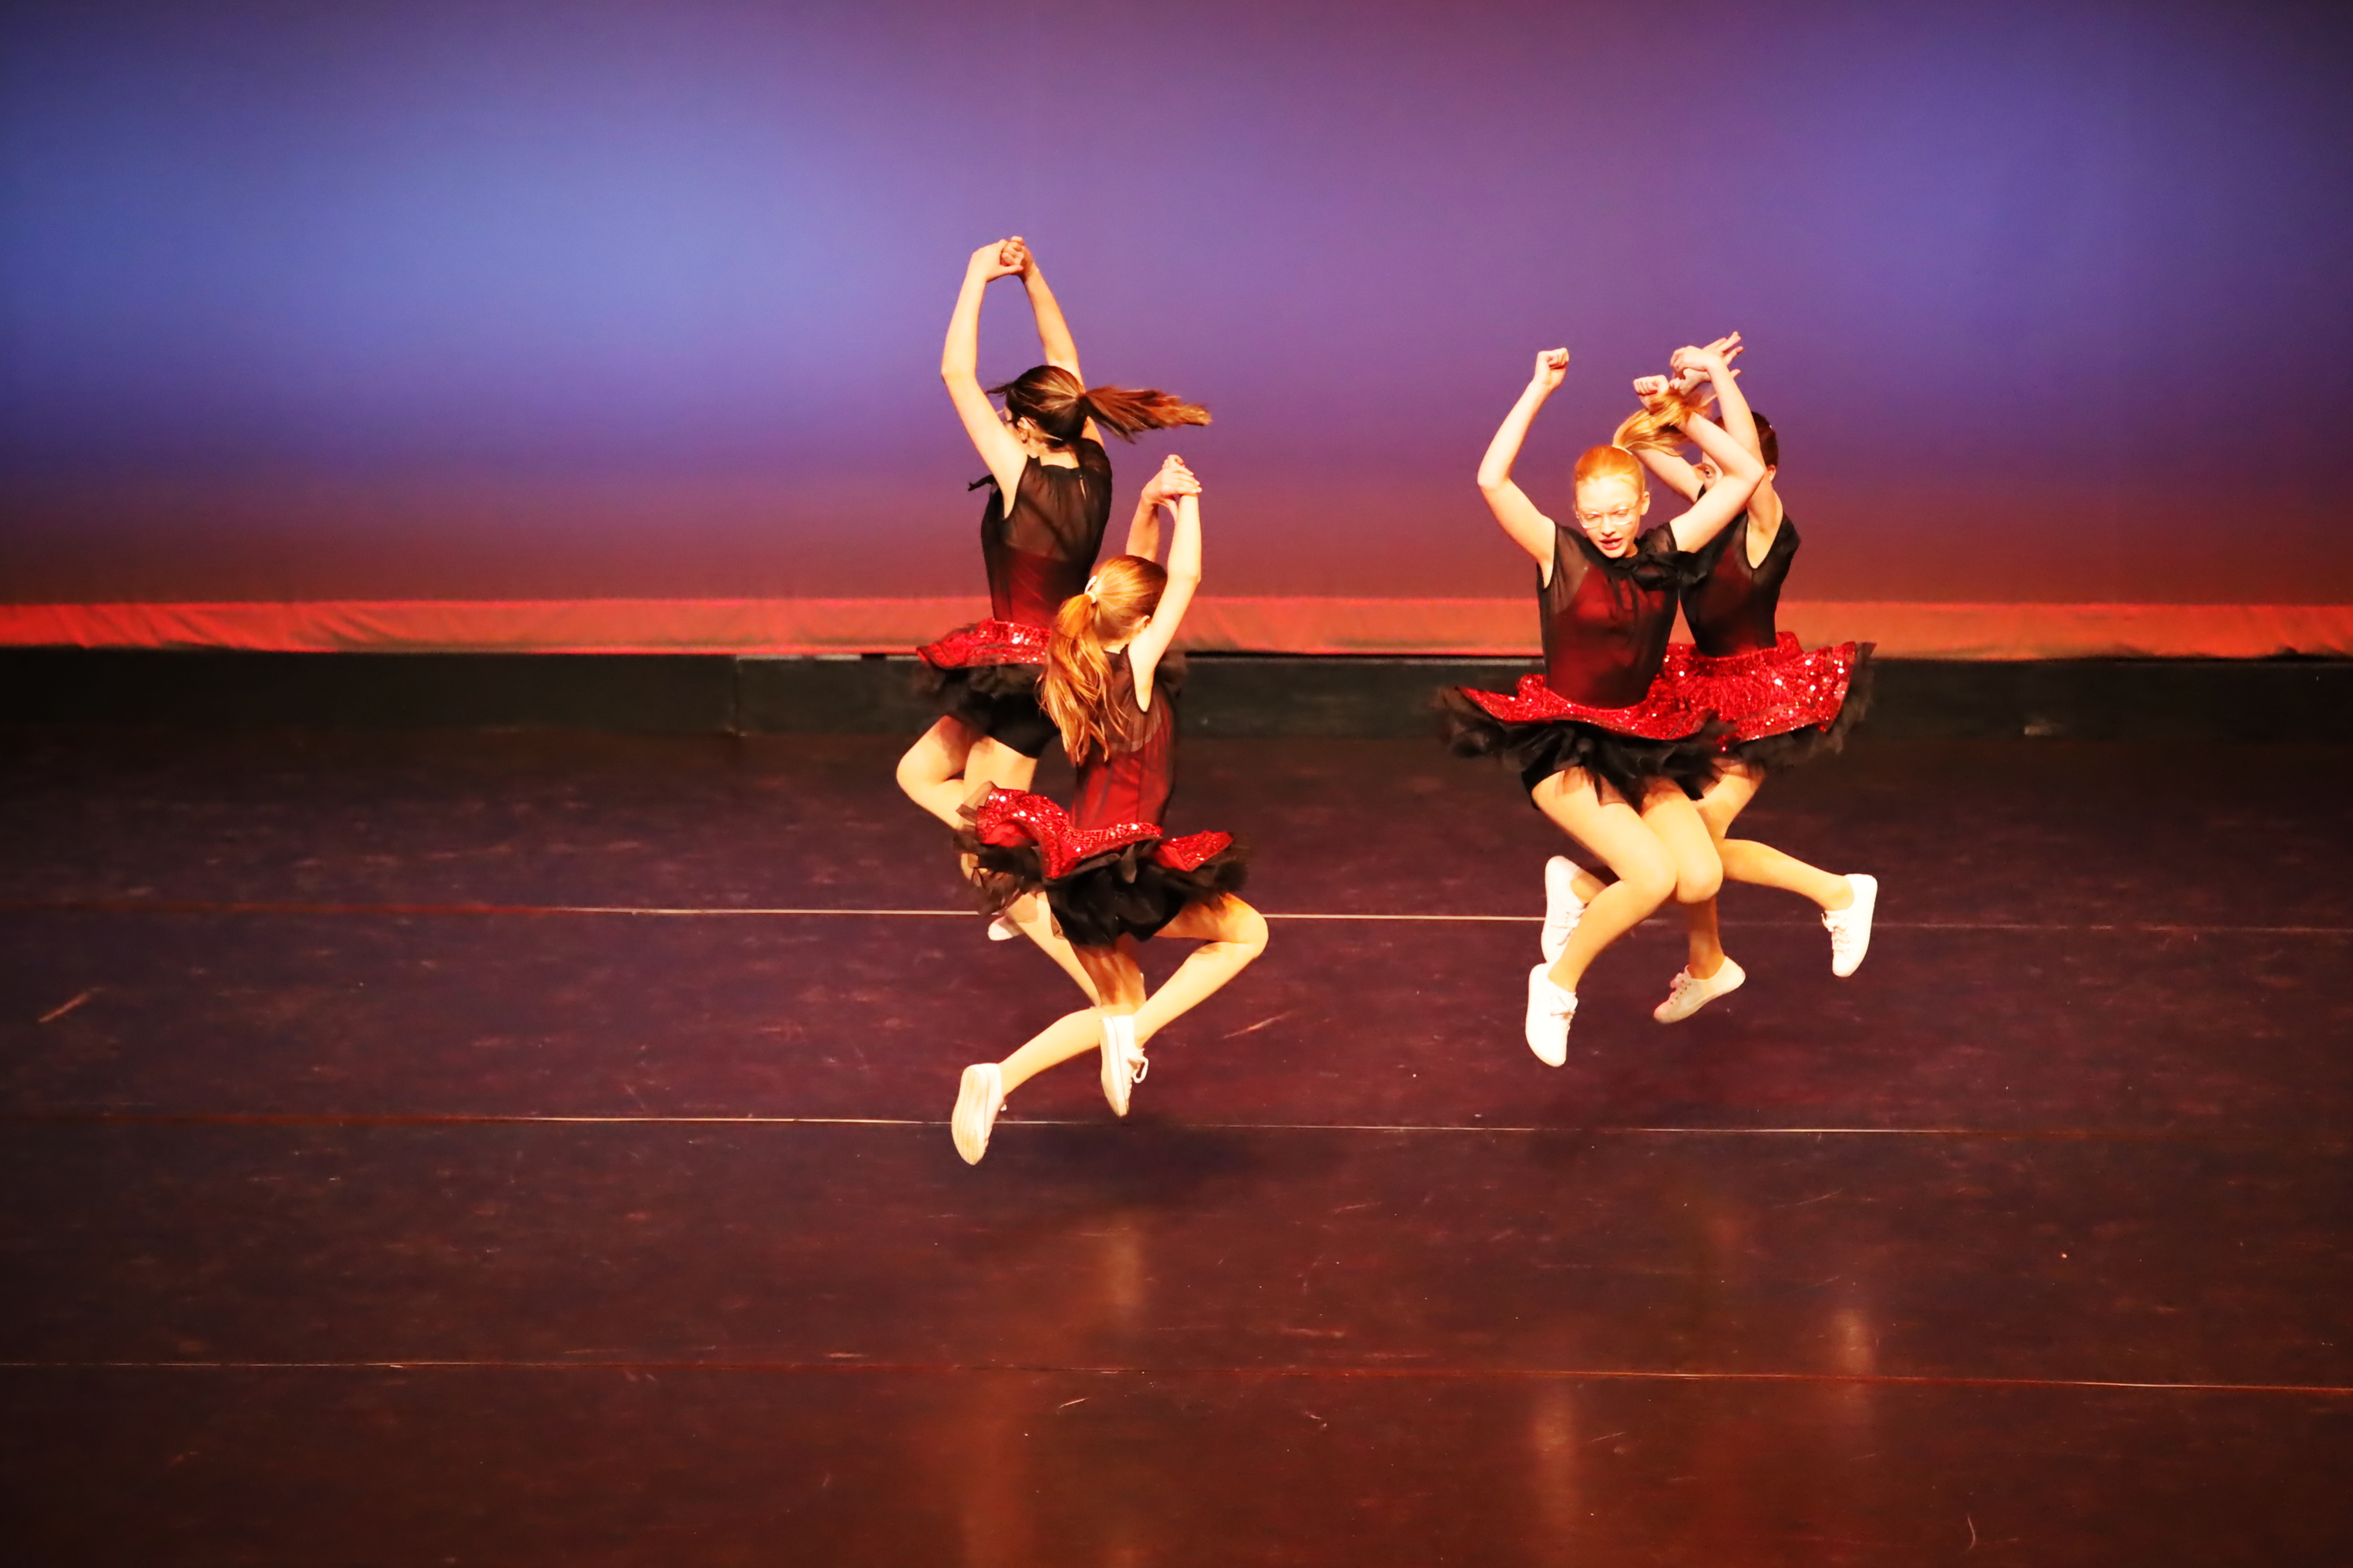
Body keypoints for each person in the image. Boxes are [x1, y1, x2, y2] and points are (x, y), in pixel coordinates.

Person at [896, 237, 1208, 979]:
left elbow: (955, 373)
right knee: (918, 774)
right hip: (1017, 666)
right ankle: (1029, 854)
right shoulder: (1093, 464)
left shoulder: (1022, 475)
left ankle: (1104, 988)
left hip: (1030, 676)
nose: (1005, 425)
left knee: (986, 850)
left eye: (1012, 417)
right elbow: (1064, 361)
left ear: (1034, 429)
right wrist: (1033, 277)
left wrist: (978, 274)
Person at [1441, 344, 1763, 1065]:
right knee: (1651, 877)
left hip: (1642, 742)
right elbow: (1491, 479)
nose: (1608, 526)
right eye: (1593, 515)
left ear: (1644, 504)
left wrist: (1679, 409)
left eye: (1619, 512)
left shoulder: (1667, 549)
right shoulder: (1558, 554)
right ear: (1576, 513)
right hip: (1567, 747)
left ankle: (1578, 886)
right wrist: (1537, 389)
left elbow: (1744, 475)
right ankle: (1555, 984)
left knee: (1700, 875)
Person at [947, 482, 1266, 1164]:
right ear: (1144, 623)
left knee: (1116, 1005)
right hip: (1122, 868)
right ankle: (1133, 1037)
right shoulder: (1135, 670)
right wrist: (1191, 502)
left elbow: (1132, 586)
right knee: (1246, 933)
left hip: (1073, 873)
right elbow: (1186, 576)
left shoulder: (1073, 665)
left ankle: (997, 1077)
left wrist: (1148, 508)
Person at [1606, 338, 1876, 1021]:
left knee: (1696, 839)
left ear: (1766, 472)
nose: (1709, 470)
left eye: (1720, 459)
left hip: (1761, 699)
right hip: (1701, 691)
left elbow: (1745, 465)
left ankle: (1839, 893)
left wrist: (1714, 379)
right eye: (1704, 462)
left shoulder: (1766, 523)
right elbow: (1634, 445)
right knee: (1690, 842)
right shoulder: (1707, 505)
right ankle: (1707, 964)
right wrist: (1672, 399)